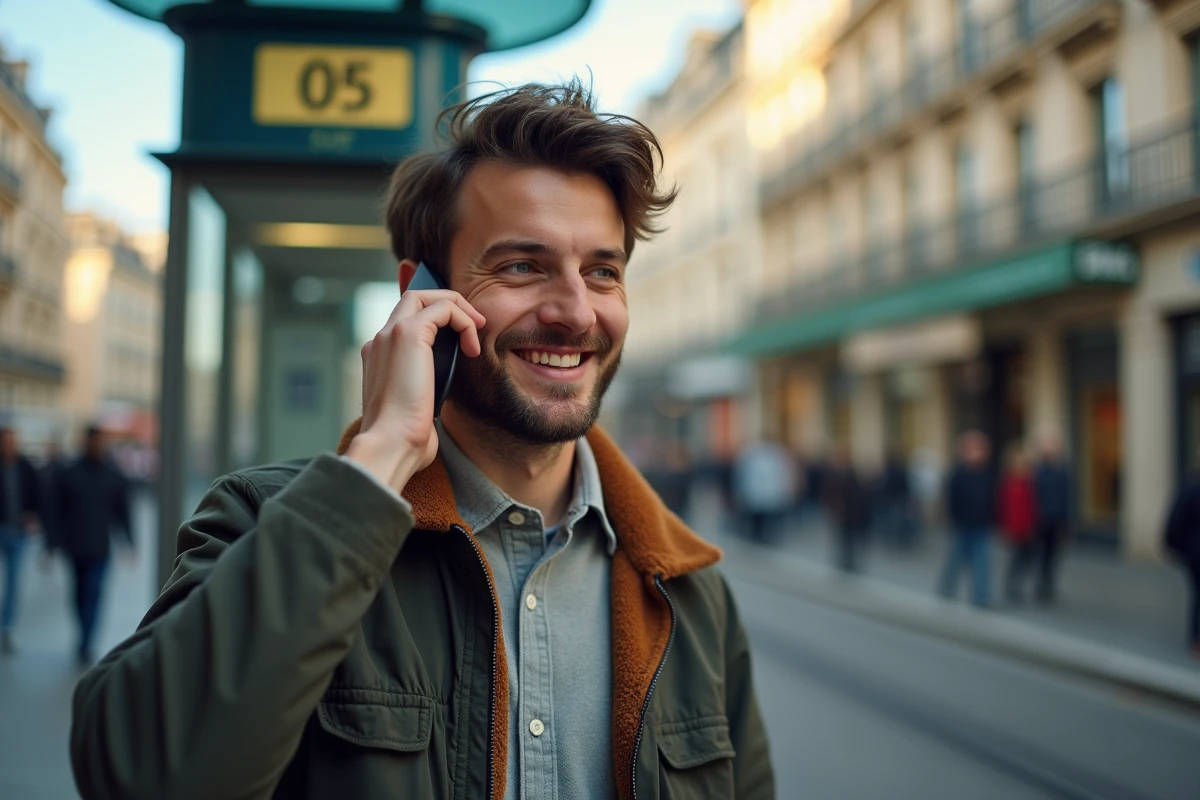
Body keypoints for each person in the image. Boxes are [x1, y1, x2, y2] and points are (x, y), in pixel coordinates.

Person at [71, 82, 774, 800]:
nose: (574, 311)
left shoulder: (689, 592)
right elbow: (139, 775)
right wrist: (381, 454)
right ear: (419, 294)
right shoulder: (265, 522)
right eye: (522, 266)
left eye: (602, 271)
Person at [50, 426, 134, 666]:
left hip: (100, 547)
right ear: (86, 442)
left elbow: (123, 510)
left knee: (95, 593)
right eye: (94, 442)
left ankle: (86, 643)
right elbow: (57, 510)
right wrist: (52, 543)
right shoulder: (70, 473)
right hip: (74, 546)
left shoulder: (112, 474)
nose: (97, 446)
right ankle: (83, 634)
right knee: (78, 594)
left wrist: (129, 542)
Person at [937, 431, 995, 608]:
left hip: (981, 525)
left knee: (982, 562)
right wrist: (954, 519)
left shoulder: (986, 473)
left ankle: (980, 597)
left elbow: (991, 498)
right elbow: (951, 500)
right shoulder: (958, 474)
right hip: (962, 524)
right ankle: (946, 587)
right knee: (956, 559)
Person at [0, 426, 43, 654]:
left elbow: (37, 494)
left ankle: (7, 629)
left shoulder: (25, 467)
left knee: (13, 583)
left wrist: (33, 515)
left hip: (18, 533)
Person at [1164, 466, 1200, 659]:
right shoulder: (1190, 488)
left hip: (1194, 554)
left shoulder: (1189, 487)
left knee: (1197, 595)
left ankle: (1195, 639)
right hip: (1195, 554)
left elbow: (1176, 521)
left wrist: (1175, 547)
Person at [1032, 434, 1072, 604]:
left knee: (1052, 555)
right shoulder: (1036, 471)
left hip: (1056, 520)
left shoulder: (1063, 471)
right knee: (1039, 555)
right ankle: (1040, 584)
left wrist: (1066, 519)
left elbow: (1067, 496)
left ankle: (1048, 584)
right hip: (1040, 520)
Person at [732, 437, 795, 544]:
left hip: (766, 493)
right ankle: (758, 534)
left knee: (768, 517)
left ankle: (765, 534)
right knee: (758, 517)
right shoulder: (753, 455)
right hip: (758, 493)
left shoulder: (774, 455)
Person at [999, 447, 1038, 604]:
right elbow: (1003, 507)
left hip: (1028, 527)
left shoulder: (1030, 482)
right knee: (1016, 560)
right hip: (1014, 528)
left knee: (1027, 559)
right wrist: (1005, 528)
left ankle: (1020, 585)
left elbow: (1033, 505)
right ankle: (1012, 586)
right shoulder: (1008, 483)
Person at [823, 444, 870, 573]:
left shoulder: (849, 472)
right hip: (843, 511)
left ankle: (850, 561)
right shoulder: (836, 473)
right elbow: (830, 493)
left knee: (851, 537)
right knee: (844, 537)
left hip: (852, 511)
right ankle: (846, 560)